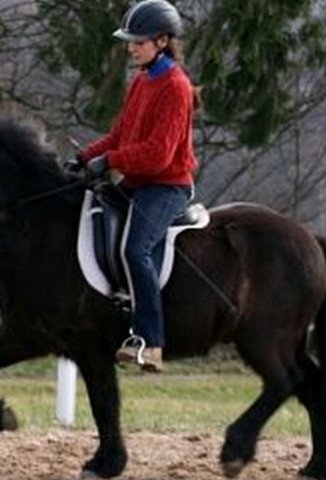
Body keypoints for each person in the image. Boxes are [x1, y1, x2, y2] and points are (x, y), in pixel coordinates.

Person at [79, 0, 198, 372]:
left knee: (136, 250)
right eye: (129, 42)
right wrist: (85, 157)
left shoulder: (176, 87)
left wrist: (110, 162)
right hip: (136, 181)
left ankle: (152, 341)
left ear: (162, 41)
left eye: (138, 42)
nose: (131, 48)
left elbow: (158, 155)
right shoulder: (142, 81)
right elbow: (119, 136)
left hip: (166, 186)